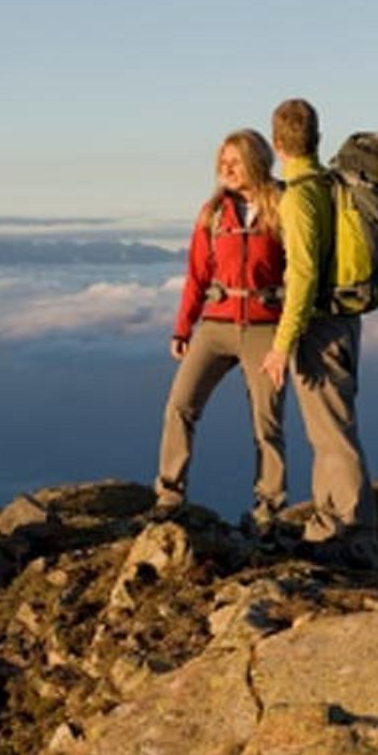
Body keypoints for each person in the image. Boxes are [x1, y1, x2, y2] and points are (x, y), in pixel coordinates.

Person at [258, 98, 378, 568]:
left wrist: (281, 344)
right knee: (327, 428)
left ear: (277, 144)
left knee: (333, 433)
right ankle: (328, 526)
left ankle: (356, 536)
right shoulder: (328, 186)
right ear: (317, 139)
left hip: (321, 327)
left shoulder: (299, 196)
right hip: (342, 321)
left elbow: (304, 275)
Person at [153, 129, 287, 533]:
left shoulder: (283, 207)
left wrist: (286, 339)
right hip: (215, 326)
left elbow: (299, 271)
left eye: (235, 161)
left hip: (265, 327)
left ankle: (269, 507)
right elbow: (196, 275)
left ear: (257, 162)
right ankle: (169, 496)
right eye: (222, 162)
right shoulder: (212, 213)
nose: (225, 169)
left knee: (267, 421)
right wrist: (183, 327)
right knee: (180, 405)